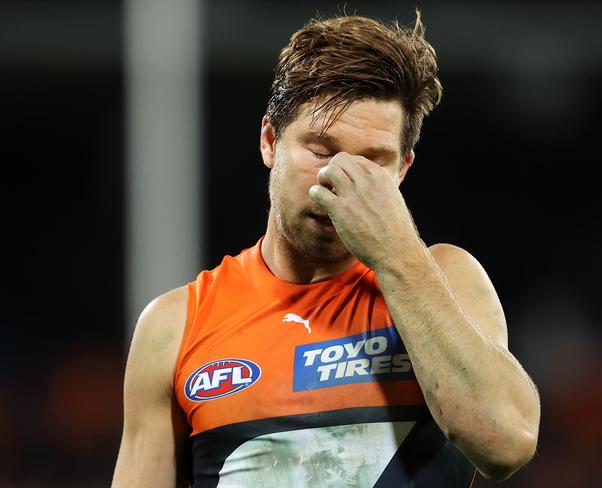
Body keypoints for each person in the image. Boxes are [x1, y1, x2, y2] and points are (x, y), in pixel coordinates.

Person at [112, 11, 540, 487]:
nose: (337, 180)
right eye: (320, 151)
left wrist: (396, 252)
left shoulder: (447, 281)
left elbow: (506, 443)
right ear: (270, 141)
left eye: (372, 163)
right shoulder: (174, 327)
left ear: (402, 170)